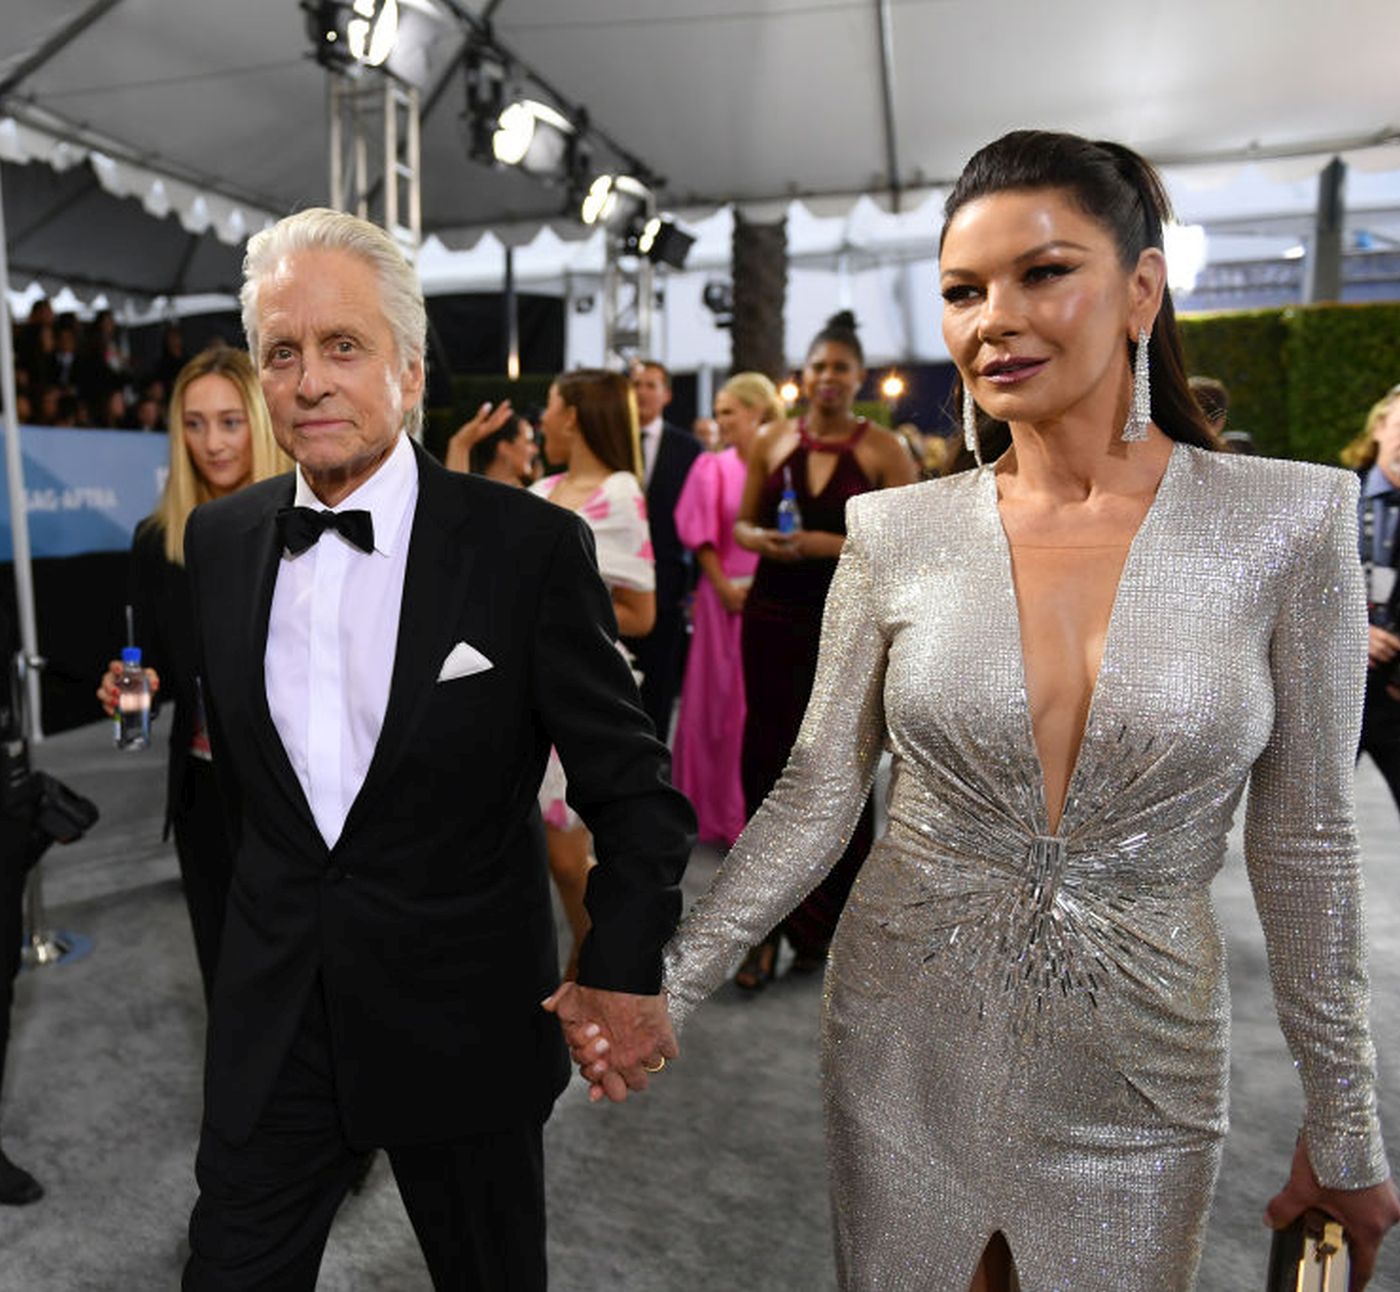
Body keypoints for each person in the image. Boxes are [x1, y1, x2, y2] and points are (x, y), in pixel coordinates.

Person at [573, 132, 1400, 1290]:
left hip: (1143, 1067)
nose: (992, 319)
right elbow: (817, 791)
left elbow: (1304, 839)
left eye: (1042, 273)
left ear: (1141, 290)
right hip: (903, 1040)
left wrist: (1343, 1120)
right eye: (962, 290)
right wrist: (667, 981)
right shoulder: (895, 533)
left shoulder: (1285, 524)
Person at [178, 208, 691, 1290]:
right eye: (283, 351)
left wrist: (621, 964)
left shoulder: (526, 548)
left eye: (342, 345)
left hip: (462, 1021)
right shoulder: (218, 541)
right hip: (275, 1022)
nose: (309, 380)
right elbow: (241, 804)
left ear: (408, 371)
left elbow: (633, 790)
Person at [727, 312, 918, 989]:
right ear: (802, 376)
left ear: (859, 377)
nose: (828, 378)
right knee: (765, 762)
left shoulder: (885, 450)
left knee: (835, 765)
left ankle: (824, 925)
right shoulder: (772, 440)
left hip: (844, 624)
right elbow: (742, 524)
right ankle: (761, 932)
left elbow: (907, 548)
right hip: (772, 615)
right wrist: (761, 541)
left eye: (841, 367)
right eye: (818, 367)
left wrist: (824, 545)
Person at [96, 345, 288, 1001]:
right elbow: (147, 664)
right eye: (195, 424)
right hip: (203, 795)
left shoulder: (303, 527)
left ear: (260, 422)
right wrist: (133, 691)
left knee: (305, 980)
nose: (212, 443)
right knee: (225, 979)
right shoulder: (158, 540)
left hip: (292, 792)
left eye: (231, 422)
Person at [529, 369, 656, 979]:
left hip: (580, 691)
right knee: (537, 847)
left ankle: (595, 964)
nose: (542, 419)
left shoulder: (621, 493)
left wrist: (561, 618)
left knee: (564, 852)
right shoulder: (540, 489)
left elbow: (642, 614)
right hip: (520, 689)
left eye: (550, 406)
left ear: (574, 415)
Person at [671, 372, 777, 848]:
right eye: (718, 413)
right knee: (719, 708)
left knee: (762, 706)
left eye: (729, 411)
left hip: (774, 598)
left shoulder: (781, 465)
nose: (721, 421)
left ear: (757, 412)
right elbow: (701, 537)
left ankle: (760, 812)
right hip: (724, 601)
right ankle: (714, 811)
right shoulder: (711, 467)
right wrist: (722, 586)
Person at [623, 359, 702, 740]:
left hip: (668, 583)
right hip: (618, 582)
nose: (642, 392)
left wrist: (694, 586)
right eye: (636, 384)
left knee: (659, 684)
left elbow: (699, 520)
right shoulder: (614, 440)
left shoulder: (689, 448)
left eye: (651, 384)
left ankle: (653, 759)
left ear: (667, 394)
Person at [1342, 383, 1400, 818]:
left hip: (1397, 690)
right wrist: (1354, 633)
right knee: (1308, 820)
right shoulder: (1336, 497)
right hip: (1337, 691)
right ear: (1379, 427)